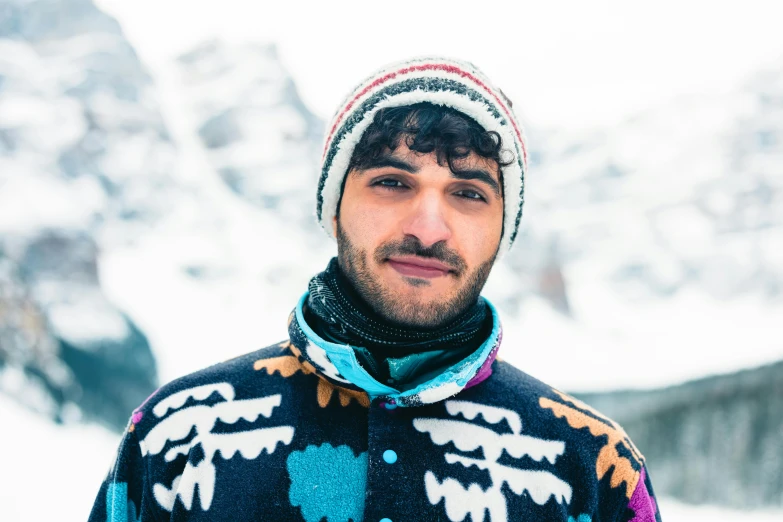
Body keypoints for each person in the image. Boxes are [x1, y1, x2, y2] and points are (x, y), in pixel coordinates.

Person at [88, 57, 661, 522]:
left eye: (468, 194)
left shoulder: (591, 468)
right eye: (391, 182)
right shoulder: (177, 437)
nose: (428, 228)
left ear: (501, 231)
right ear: (334, 210)